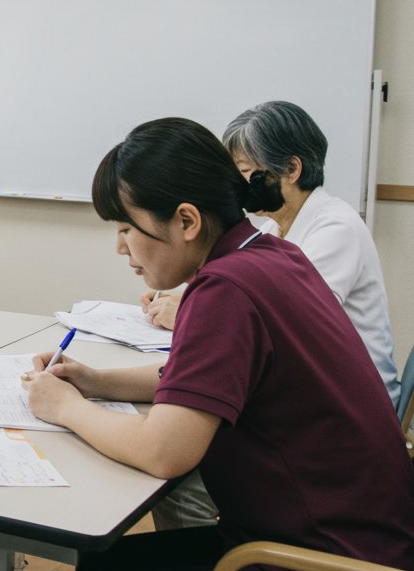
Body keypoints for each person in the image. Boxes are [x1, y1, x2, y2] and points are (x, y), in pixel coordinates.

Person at [21, 118, 414, 571]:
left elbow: (164, 451)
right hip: (348, 546)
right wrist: (96, 381)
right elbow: (198, 377)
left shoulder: (226, 289)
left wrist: (64, 406)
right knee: (104, 563)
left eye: (125, 228)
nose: (120, 248)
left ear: (186, 220)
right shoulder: (269, 254)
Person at [141, 101, 399, 406]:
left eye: (248, 172)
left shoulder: (336, 230)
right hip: (306, 383)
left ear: (291, 169)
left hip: (355, 399)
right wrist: (184, 298)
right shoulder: (272, 229)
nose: (239, 186)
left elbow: (283, 325)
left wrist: (185, 314)